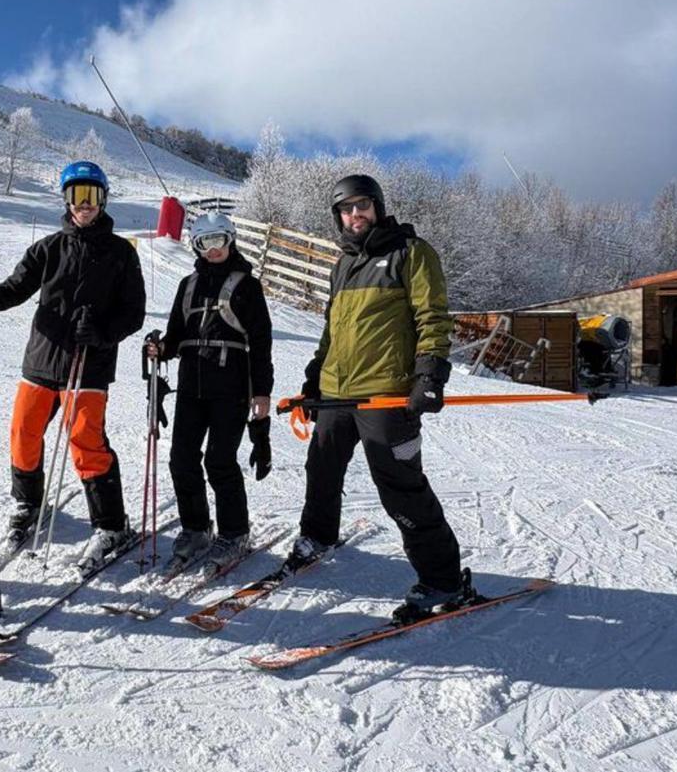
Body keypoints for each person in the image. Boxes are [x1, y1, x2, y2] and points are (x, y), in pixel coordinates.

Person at [290, 174, 465, 616]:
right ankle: (318, 536)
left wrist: (429, 376)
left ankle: (444, 580)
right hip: (336, 392)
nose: (355, 215)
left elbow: (433, 317)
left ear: (378, 206)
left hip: (386, 394)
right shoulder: (342, 264)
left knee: (400, 485)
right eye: (346, 209)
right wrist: (314, 381)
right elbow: (332, 331)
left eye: (362, 205)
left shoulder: (411, 253)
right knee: (322, 469)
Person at [0, 161, 146, 571]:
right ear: (66, 200)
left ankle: (112, 525)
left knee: (85, 442)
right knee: (23, 433)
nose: (85, 205)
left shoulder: (120, 254)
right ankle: (27, 503)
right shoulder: (47, 249)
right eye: (78, 196)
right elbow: (10, 291)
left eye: (93, 197)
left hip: (89, 365)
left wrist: (100, 332)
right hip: (42, 359)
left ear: (103, 200)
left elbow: (134, 313)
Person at [145, 212, 273, 575]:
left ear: (230, 240)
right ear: (196, 246)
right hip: (190, 387)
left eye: (218, 240)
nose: (213, 249)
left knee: (219, 461)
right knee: (181, 459)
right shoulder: (187, 285)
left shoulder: (248, 286)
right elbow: (174, 335)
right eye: (204, 243)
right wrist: (160, 348)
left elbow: (261, 342)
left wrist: (261, 391)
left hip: (230, 388)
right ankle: (197, 527)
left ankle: (234, 533)